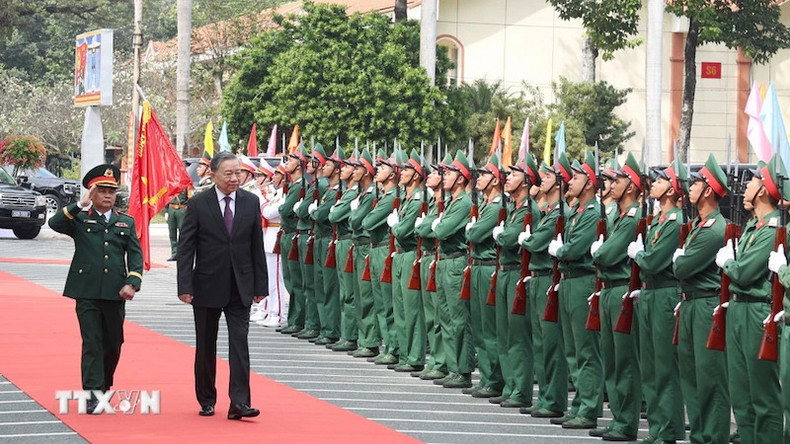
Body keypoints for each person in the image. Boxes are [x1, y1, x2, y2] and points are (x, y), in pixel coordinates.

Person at [177, 151, 268, 420]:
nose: (234, 178)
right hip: (206, 285)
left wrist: (260, 286)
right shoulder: (199, 203)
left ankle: (239, 402)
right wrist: (185, 285)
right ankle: (206, 398)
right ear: (213, 174)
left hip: (241, 285)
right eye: (228, 173)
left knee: (240, 345)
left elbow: (256, 247)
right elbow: (186, 247)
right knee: (206, 345)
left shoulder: (251, 202)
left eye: (238, 172)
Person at [48, 164, 143, 414]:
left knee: (113, 343)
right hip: (86, 291)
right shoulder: (80, 219)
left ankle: (104, 383)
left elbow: (135, 256)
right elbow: (54, 223)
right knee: (92, 342)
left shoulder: (125, 222)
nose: (108, 196)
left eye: (112, 191)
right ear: (92, 193)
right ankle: (93, 394)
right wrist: (80, 204)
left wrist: (132, 283)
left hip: (115, 292)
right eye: (102, 191)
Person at [718, 155, 784, 443]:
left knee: (762, 394)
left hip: (757, 313)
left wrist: (728, 264)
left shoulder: (773, 229)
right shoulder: (751, 226)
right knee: (741, 392)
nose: (744, 188)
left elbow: (744, 273)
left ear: (763, 190)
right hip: (738, 309)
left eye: (751, 182)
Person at [672, 153, 731, 444]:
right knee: (691, 378)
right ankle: (699, 435)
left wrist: (680, 259)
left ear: (708, 190)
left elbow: (682, 267)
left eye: (696, 183)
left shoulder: (714, 229)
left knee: (710, 380)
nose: (690, 188)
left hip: (707, 305)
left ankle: (713, 437)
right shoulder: (698, 225)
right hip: (692, 302)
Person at [627, 158, 686, 443]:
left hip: (664, 294)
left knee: (665, 367)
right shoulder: (660, 220)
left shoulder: (675, 222)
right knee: (649, 368)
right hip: (651, 293)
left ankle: (670, 428)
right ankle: (656, 427)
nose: (654, 184)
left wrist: (638, 255)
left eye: (661, 181)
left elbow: (652, 261)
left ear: (673, 190)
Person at [547, 152, 604, 430]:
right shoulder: (576, 212)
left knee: (586, 351)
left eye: (578, 178)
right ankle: (579, 405)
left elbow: (577, 248)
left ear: (590, 184)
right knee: (572, 350)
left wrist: (561, 250)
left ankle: (589, 408)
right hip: (569, 280)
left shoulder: (592, 214)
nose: (570, 182)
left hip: (582, 281)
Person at [590, 152, 642, 441]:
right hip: (609, 289)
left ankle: (626, 422)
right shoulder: (618, 216)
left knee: (624, 361)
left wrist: (598, 250)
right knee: (611, 360)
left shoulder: (632, 219)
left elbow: (608, 254)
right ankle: (618, 418)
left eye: (619, 180)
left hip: (621, 288)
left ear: (631, 186)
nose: (612, 184)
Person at [492, 154, 541, 407]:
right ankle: (510, 385)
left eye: (513, 174)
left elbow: (510, 239)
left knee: (518, 334)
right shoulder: (514, 208)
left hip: (517, 274)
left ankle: (520, 389)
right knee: (504, 333)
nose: (507, 177)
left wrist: (500, 235)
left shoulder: (530, 210)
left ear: (526, 181)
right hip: (504, 271)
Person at [520, 161, 567, 418]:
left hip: (549, 278)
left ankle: (554, 399)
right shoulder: (548, 211)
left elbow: (536, 242)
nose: (543, 178)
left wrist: (526, 239)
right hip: (539, 278)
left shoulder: (560, 213)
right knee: (540, 342)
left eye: (549, 176)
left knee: (551, 344)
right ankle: (546, 396)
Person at [431, 151, 474, 389]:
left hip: (456, 262)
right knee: (445, 317)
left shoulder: (463, 203)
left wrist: (436, 225)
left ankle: (463, 369)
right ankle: (452, 366)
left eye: (448, 173)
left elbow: (441, 231)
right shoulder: (452, 202)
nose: (443, 176)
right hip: (445, 261)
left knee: (458, 319)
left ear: (461, 178)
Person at [464, 153, 505, 398]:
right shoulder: (488, 205)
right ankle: (487, 378)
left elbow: (475, 235)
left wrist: (473, 229)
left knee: (489, 328)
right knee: (480, 327)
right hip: (479, 266)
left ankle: (493, 379)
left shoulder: (496, 207)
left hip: (489, 267)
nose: (478, 179)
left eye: (484, 175)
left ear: (495, 180)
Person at [389, 148, 427, 372]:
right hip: (401, 255)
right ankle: (405, 355)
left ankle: (414, 357)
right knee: (401, 309)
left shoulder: (417, 200)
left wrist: (394, 224)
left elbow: (402, 231)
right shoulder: (407, 199)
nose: (401, 173)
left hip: (411, 255)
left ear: (415, 175)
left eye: (406, 170)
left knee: (412, 311)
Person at [362, 149, 401, 365]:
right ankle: (388, 344)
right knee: (379, 301)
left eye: (383, 167)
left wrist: (364, 215)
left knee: (388, 302)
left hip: (385, 249)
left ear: (393, 174)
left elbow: (366, 222)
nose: (378, 170)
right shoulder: (384, 196)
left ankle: (393, 347)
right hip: (376, 248)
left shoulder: (392, 198)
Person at [258, 162, 289, 327]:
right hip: (268, 238)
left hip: (275, 238)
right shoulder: (278, 194)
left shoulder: (285, 196)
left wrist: (261, 199)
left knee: (277, 280)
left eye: (277, 174)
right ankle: (269, 310)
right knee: (270, 279)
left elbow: (268, 213)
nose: (273, 177)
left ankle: (278, 314)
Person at [166, 187, 189, 261]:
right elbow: (166, 197)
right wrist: (166, 211)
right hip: (171, 209)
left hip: (181, 209)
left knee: (183, 232)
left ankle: (183, 253)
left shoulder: (186, 185)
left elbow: (190, 198)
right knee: (172, 232)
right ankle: (174, 253)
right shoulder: (170, 184)